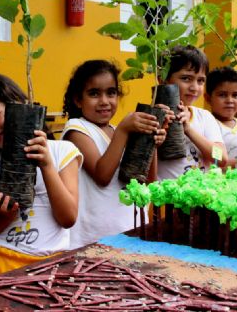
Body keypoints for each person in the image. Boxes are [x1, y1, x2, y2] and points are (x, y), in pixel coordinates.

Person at [0, 73, 82, 277]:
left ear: (18, 107)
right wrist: (3, 216)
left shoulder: (62, 151)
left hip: (53, 264)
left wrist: (47, 165)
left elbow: (68, 217)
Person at [61, 60, 166, 249]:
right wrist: (124, 131)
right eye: (94, 93)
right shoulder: (76, 130)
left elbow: (147, 183)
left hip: (129, 231)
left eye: (111, 93)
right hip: (92, 239)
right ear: (78, 99)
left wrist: (152, 143)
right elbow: (102, 176)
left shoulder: (119, 132)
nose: (104, 101)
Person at [157, 46, 227, 180]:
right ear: (163, 79)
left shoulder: (205, 117)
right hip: (166, 199)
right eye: (186, 78)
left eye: (200, 80)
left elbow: (221, 158)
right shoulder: (153, 117)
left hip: (200, 197)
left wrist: (188, 130)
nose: (194, 87)